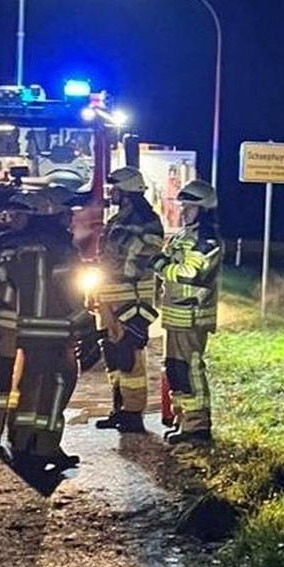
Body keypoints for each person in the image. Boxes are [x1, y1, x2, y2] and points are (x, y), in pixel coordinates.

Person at [0, 189, 92, 469]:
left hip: (25, 329)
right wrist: (86, 325)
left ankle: (21, 443)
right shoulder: (61, 248)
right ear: (53, 214)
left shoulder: (13, 246)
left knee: (26, 387)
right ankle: (46, 448)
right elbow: (68, 292)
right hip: (55, 329)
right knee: (56, 387)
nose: (71, 219)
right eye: (67, 214)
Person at [91, 166, 163, 434]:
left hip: (130, 298)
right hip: (110, 294)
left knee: (130, 356)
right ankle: (118, 408)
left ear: (128, 190)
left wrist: (124, 268)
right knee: (113, 355)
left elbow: (148, 250)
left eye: (116, 188)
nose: (112, 192)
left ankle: (133, 414)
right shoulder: (119, 217)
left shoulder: (147, 219)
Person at [153, 179, 223, 443]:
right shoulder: (186, 236)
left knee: (190, 368)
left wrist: (160, 265)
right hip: (176, 315)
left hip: (192, 316)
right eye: (183, 206)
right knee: (176, 369)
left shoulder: (206, 240)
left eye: (190, 207)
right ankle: (184, 420)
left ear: (204, 209)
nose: (184, 211)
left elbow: (189, 273)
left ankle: (198, 427)